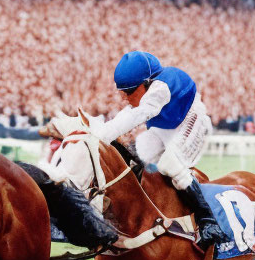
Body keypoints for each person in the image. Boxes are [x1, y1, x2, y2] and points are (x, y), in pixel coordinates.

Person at [95, 51, 226, 249]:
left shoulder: (160, 90)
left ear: (146, 83)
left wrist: (99, 136)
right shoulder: (147, 89)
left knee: (169, 164)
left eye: (128, 91)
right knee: (139, 153)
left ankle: (209, 221)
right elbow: (126, 115)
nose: (124, 97)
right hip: (167, 127)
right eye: (121, 92)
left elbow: (136, 116)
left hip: (192, 122)